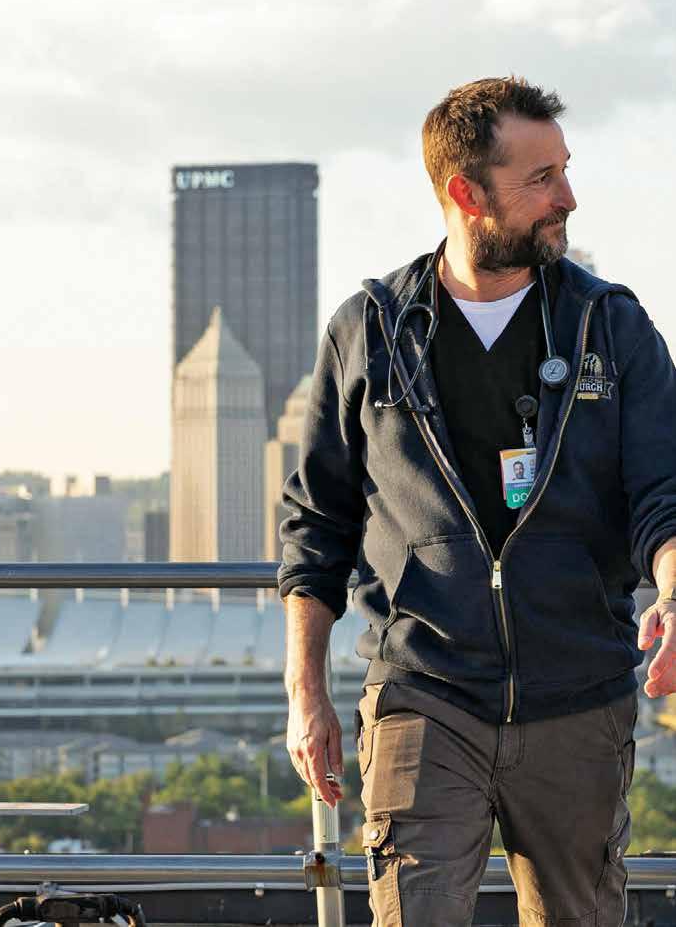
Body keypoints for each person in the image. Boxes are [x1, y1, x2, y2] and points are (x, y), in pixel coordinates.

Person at [278, 76, 676, 927]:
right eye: (541, 178)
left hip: (579, 698)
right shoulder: (371, 330)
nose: (568, 197)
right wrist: (304, 692)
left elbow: (665, 493)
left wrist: (674, 594)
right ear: (467, 194)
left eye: (564, 170)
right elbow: (317, 526)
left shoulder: (610, 326)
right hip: (422, 696)